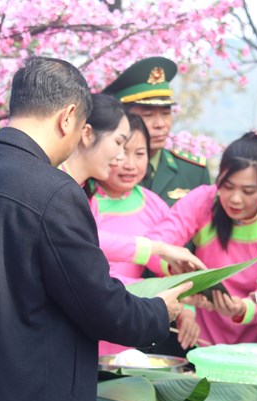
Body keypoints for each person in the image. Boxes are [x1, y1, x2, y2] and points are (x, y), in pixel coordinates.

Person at [0, 57, 191, 401]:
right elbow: (100, 306)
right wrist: (159, 310)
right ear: (68, 117)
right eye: (80, 128)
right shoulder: (54, 192)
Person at [146, 131, 257, 347]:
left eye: (248, 191)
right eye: (227, 186)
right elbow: (155, 245)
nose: (235, 198)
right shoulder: (203, 200)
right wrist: (174, 266)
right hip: (208, 346)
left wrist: (241, 309)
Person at [57, 94, 205, 276]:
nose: (123, 159)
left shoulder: (81, 190)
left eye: (140, 153)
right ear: (87, 134)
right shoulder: (59, 188)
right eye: (119, 143)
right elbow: (87, 244)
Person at [94, 113, 200, 355]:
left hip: (135, 328)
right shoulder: (85, 202)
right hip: (93, 320)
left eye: (140, 154)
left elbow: (171, 266)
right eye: (122, 152)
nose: (130, 164)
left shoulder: (154, 205)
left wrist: (187, 311)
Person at [102, 56, 210, 207]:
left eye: (166, 114)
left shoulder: (193, 171)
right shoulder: (103, 169)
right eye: (148, 115)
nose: (160, 124)